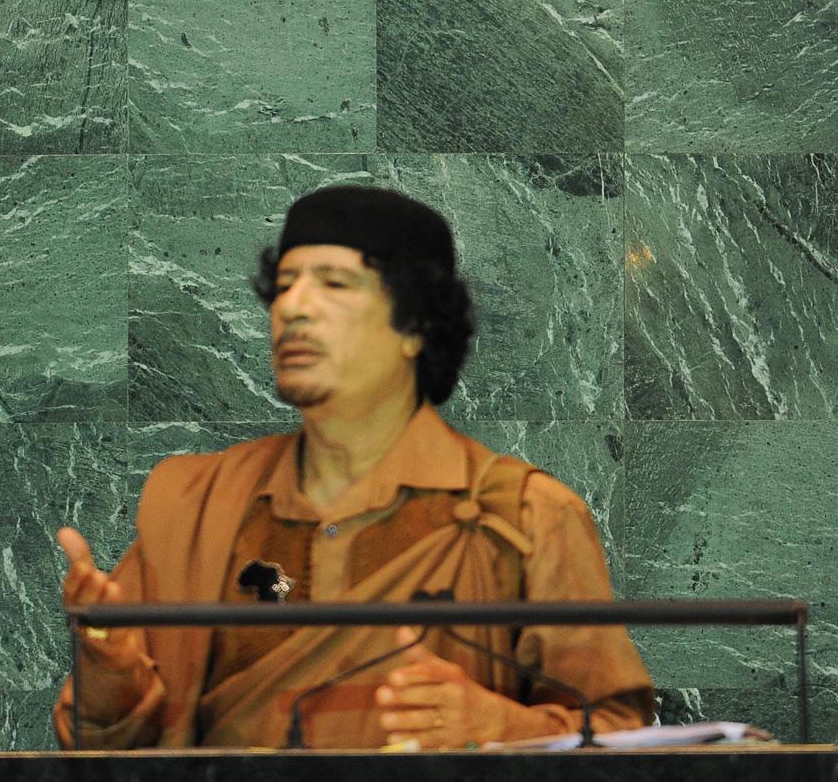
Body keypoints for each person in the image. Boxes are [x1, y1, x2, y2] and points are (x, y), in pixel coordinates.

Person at [54, 185, 652, 751]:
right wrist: (110, 662)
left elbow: (622, 737)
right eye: (284, 284)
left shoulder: (525, 516)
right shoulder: (196, 505)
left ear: (415, 325)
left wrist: (502, 727)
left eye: (334, 283)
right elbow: (100, 743)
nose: (292, 307)